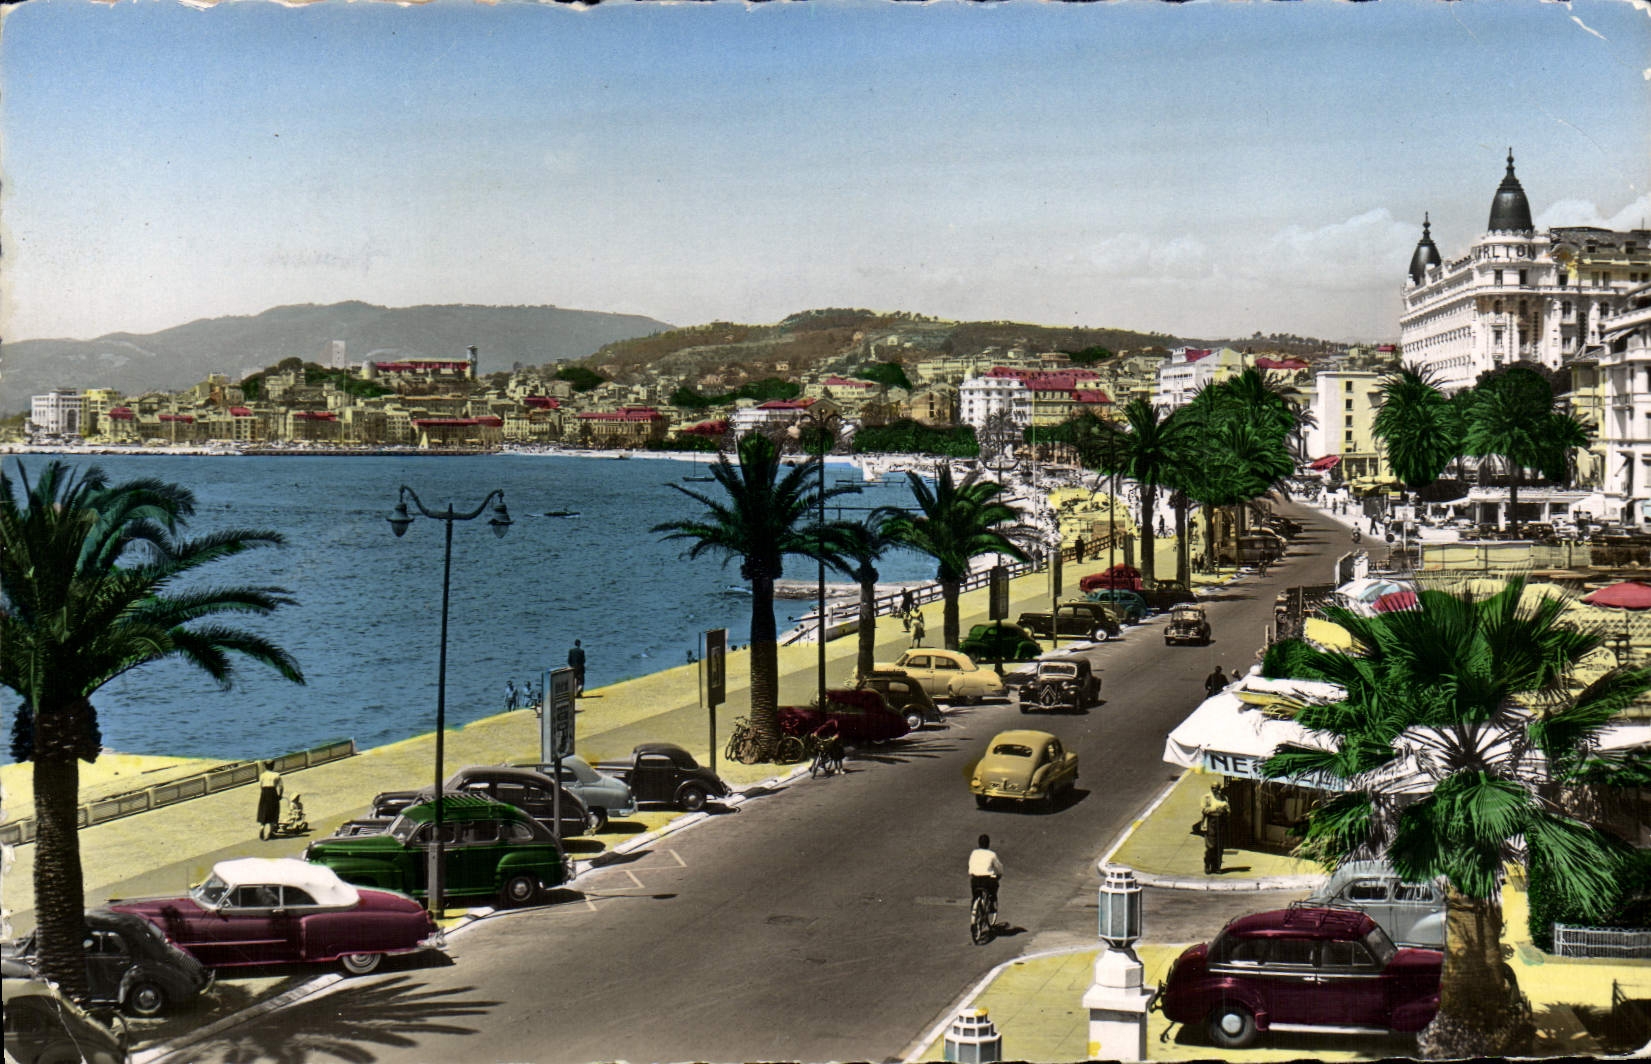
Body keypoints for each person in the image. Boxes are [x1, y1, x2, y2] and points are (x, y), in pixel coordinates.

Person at [969, 833, 1004, 915]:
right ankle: (991, 903)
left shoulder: (974, 853)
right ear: (988, 844)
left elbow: (971, 865)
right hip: (987, 880)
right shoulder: (992, 854)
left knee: (976, 893)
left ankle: (974, 902)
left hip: (975, 879)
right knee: (995, 886)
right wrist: (999, 875)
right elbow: (999, 867)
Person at [1200, 782, 1230, 874]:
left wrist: (1225, 809)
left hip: (1221, 821)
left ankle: (1217, 866)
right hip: (1211, 821)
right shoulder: (1207, 797)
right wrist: (1217, 807)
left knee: (1219, 846)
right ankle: (1207, 864)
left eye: (1216, 788)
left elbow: (1228, 810)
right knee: (1211, 845)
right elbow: (1204, 810)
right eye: (1213, 788)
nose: (1215, 790)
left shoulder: (1224, 797)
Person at [256, 760, 283, 840]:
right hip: (273, 792)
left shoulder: (262, 775)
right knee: (273, 811)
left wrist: (264, 793)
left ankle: (262, 827)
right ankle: (270, 832)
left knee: (264, 810)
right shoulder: (277, 775)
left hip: (264, 793)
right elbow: (281, 787)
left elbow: (260, 786)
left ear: (265, 766)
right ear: (273, 766)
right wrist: (280, 795)